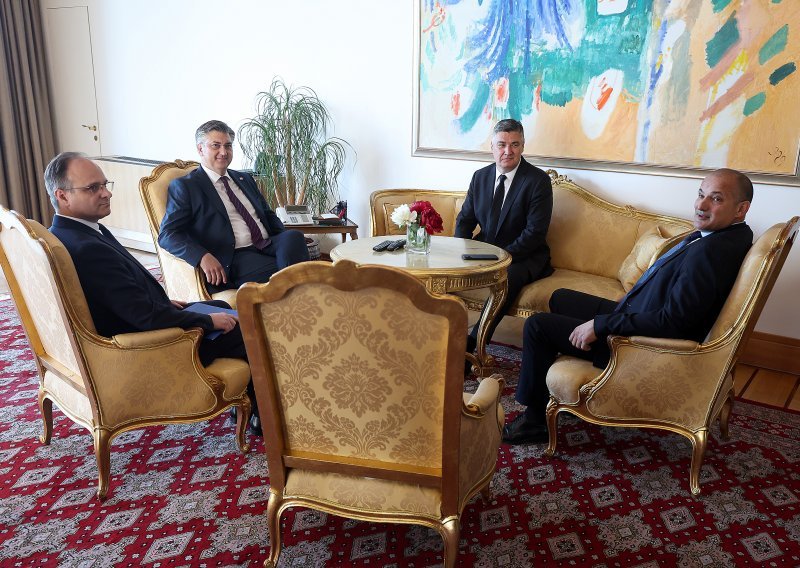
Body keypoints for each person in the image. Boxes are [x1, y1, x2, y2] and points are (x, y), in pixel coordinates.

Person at [503, 168, 754, 445]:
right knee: (560, 297)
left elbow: (673, 322)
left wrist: (600, 325)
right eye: (701, 194)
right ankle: (565, 393)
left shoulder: (711, 251)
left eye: (716, 199)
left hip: (639, 345)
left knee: (538, 326)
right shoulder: (725, 237)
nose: (701, 205)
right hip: (638, 313)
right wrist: (632, 296)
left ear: (741, 209)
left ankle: (535, 420)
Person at [45, 152, 262, 434]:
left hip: (136, 322)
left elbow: (117, 296)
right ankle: (263, 416)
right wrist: (207, 322)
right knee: (250, 328)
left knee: (220, 304)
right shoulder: (87, 248)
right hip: (148, 347)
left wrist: (166, 302)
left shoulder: (71, 233)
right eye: (93, 188)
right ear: (62, 196)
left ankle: (246, 404)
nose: (106, 193)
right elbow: (145, 317)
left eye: (104, 184)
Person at [159, 120, 309, 292]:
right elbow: (167, 234)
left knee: (294, 237)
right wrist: (202, 256)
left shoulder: (244, 179)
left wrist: (283, 243)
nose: (223, 152)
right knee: (296, 271)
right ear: (200, 149)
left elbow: (267, 214)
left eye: (228, 146)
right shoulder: (187, 186)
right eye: (216, 145)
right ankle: (301, 296)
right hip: (233, 255)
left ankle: (295, 292)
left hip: (266, 244)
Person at [454, 118, 553, 354]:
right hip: (487, 249)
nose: (508, 151)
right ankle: (441, 334)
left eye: (515, 144)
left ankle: (474, 343)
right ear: (492, 146)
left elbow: (534, 233)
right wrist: (457, 251)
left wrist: (501, 258)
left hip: (524, 256)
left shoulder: (538, 181)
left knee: (506, 279)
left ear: (523, 146)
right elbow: (465, 220)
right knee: (442, 271)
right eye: (502, 144)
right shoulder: (480, 177)